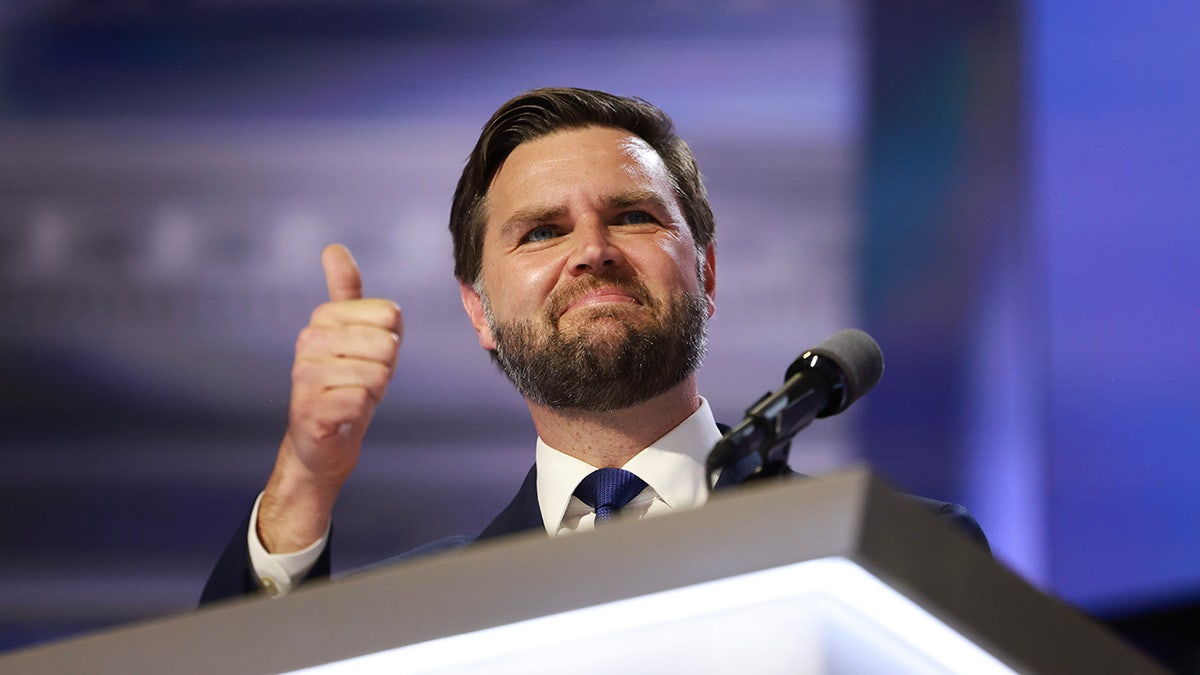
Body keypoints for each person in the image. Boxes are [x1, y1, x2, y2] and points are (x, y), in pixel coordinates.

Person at [201, 87, 985, 603]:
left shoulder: (893, 561)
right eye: (543, 230)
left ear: (706, 272)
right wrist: (305, 476)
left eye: (635, 216)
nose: (593, 249)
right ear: (479, 310)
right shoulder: (410, 614)